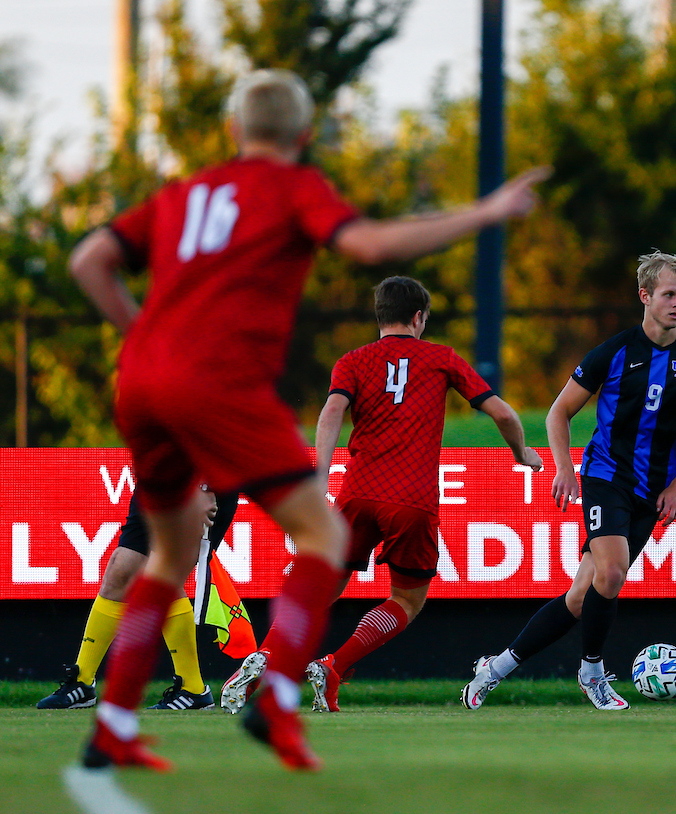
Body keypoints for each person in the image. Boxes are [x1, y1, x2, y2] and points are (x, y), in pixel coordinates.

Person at [69, 68, 548, 771]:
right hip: (217, 382)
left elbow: (89, 260)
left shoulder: (182, 194)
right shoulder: (292, 187)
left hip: (141, 381)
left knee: (170, 555)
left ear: (234, 132)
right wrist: (485, 212)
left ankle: (112, 726)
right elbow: (372, 247)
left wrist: (141, 338)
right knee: (320, 537)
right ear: (303, 135)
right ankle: (281, 703)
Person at [461, 250, 676, 711]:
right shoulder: (616, 352)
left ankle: (495, 668)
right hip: (607, 477)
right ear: (645, 296)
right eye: (668, 294)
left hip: (654, 490)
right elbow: (558, 412)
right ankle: (593, 672)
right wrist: (565, 467)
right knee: (613, 572)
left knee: (583, 596)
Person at [282, 276, 543, 713]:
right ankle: (335, 666)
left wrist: (320, 475)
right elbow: (503, 412)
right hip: (411, 500)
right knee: (406, 598)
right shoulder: (441, 358)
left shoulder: (353, 360)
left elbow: (331, 411)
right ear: (419, 317)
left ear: (379, 316)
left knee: (323, 585)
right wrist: (521, 453)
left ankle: (270, 660)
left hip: (358, 493)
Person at [37, 488, 239, 711]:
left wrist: (204, 488)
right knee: (120, 571)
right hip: (160, 482)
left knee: (163, 573)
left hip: (197, 486)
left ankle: (193, 690)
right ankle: (82, 683)